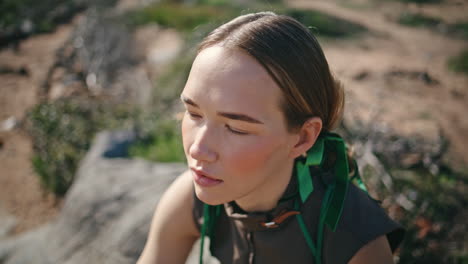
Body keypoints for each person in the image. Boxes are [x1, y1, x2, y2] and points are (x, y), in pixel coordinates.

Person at [137, 11, 404, 264]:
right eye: (194, 114)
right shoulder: (191, 198)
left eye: (236, 128)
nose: (198, 149)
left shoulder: (351, 233)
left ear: (302, 138)